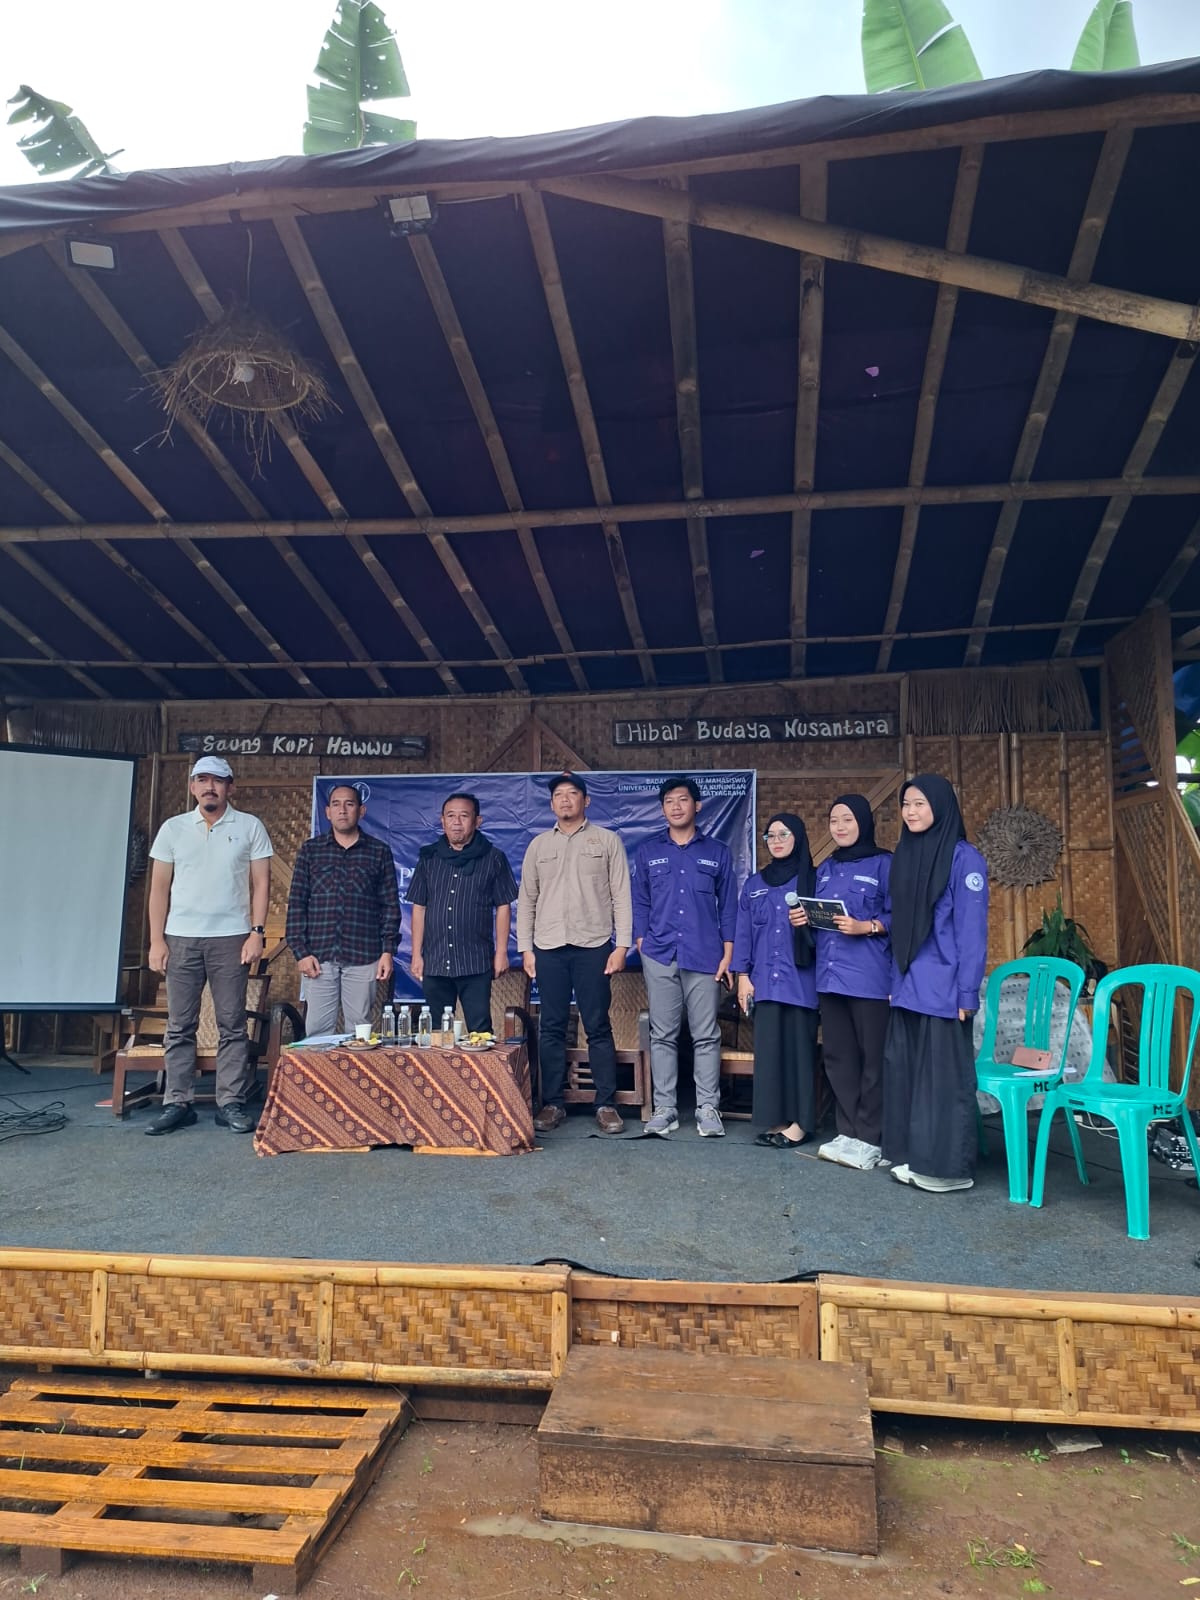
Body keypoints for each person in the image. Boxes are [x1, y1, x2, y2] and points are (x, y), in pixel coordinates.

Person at [144, 755, 273, 1135]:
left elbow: (262, 884)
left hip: (231, 937)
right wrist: (156, 940)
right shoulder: (173, 828)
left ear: (230, 787)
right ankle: (177, 1102)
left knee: (232, 1023)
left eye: (217, 781)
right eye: (201, 780)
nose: (209, 787)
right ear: (192, 788)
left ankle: (229, 1101)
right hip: (181, 936)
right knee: (180, 1024)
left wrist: (257, 932)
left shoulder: (249, 826)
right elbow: (158, 889)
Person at [883, 774, 989, 1194]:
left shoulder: (965, 859)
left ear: (941, 807)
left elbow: (971, 933)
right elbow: (898, 927)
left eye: (920, 804)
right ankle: (915, 1156)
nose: (911, 812)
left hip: (945, 991)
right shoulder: (904, 854)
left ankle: (948, 1171)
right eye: (906, 804)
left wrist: (967, 993)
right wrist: (895, 981)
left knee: (942, 1083)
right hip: (909, 987)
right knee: (908, 1076)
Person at [517, 773, 632, 1135]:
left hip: (594, 945)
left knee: (597, 1025)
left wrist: (622, 946)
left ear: (586, 801)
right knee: (551, 1026)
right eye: (559, 796)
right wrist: (526, 948)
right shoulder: (538, 846)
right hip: (548, 948)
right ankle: (552, 1103)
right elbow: (527, 900)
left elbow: (621, 896)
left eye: (572, 794)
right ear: (551, 804)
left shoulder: (607, 841)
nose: (565, 800)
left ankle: (605, 1104)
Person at [632, 777, 735, 1139]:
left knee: (706, 1034)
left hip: (705, 955)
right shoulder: (648, 851)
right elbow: (640, 900)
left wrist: (729, 952)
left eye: (683, 800)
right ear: (662, 809)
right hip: (660, 953)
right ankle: (666, 1109)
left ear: (697, 806)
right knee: (663, 1034)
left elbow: (730, 905)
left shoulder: (717, 852)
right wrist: (642, 940)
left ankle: (708, 1108)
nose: (676, 806)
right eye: (669, 801)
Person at [801, 794, 892, 1173]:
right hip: (830, 976)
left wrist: (867, 926)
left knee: (874, 1059)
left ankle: (872, 1137)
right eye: (834, 820)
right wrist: (803, 919)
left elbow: (902, 915)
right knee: (839, 1058)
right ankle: (848, 1130)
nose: (839, 827)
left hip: (870, 978)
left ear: (863, 823)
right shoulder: (824, 869)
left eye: (847, 820)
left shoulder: (885, 863)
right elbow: (819, 918)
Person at [733, 813, 819, 1149]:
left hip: (801, 982)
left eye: (785, 834)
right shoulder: (754, 885)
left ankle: (801, 1124)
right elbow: (743, 934)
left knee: (799, 1053)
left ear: (798, 837)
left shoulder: (814, 879)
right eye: (770, 835)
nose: (778, 840)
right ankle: (778, 1119)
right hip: (764, 983)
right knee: (769, 1054)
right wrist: (743, 977)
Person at [287, 783, 400, 1036]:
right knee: (317, 1030)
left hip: (364, 955)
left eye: (349, 804)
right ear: (327, 812)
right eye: (336, 804)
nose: (343, 810)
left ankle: (355, 1077)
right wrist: (301, 952)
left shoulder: (379, 851)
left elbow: (390, 906)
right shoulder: (311, 850)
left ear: (361, 810)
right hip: (318, 956)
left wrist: (387, 951)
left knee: (359, 1030)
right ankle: (317, 1077)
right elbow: (297, 903)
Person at [405, 792, 518, 1033]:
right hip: (435, 961)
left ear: (478, 821)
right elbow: (419, 907)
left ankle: (479, 1073)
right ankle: (438, 1073)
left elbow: (503, 906)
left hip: (475, 962)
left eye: (464, 816)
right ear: (442, 821)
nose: (457, 822)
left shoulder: (494, 858)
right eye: (451, 816)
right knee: (436, 1032)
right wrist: (416, 954)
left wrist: (501, 953)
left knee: (480, 1030)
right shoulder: (429, 858)